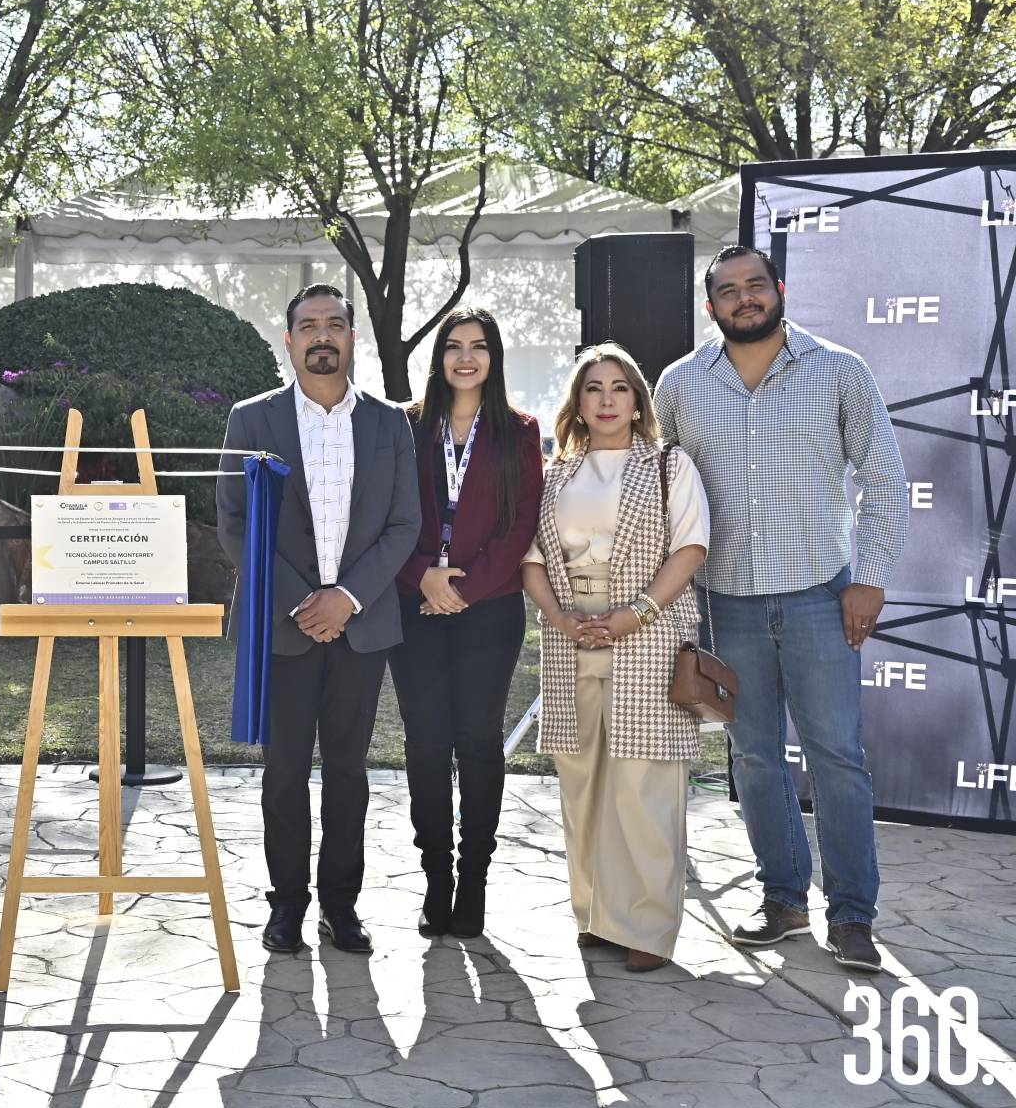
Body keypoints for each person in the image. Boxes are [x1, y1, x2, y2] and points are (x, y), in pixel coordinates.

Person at [654, 245, 907, 973]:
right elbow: (653, 486)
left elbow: (885, 478)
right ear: (712, 307)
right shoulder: (679, 384)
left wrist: (872, 577)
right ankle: (783, 899)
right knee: (756, 758)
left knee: (837, 759)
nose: (743, 299)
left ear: (779, 290)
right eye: (727, 291)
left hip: (820, 597)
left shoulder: (839, 370)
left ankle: (854, 915)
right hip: (724, 603)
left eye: (754, 286)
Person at [216, 283, 420, 954]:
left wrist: (346, 598)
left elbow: (403, 524)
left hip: (362, 626)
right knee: (283, 774)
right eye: (309, 325)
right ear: (290, 339)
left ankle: (341, 905)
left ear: (352, 336)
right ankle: (287, 907)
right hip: (283, 625)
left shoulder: (391, 423)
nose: (323, 335)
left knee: (348, 773)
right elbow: (237, 521)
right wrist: (303, 601)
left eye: (335, 323)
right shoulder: (252, 419)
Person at [521, 343, 708, 972]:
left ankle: (648, 930)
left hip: (647, 634)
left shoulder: (668, 465)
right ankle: (598, 916)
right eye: (593, 388)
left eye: (619, 388)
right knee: (585, 785)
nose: (605, 400)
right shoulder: (556, 475)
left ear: (637, 400)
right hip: (571, 636)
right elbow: (532, 559)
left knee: (644, 787)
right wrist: (560, 618)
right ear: (577, 402)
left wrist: (634, 615)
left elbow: (690, 549)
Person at [392, 307, 542, 939]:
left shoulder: (519, 430)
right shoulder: (406, 427)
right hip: (413, 603)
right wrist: (424, 574)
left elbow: (522, 522)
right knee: (427, 744)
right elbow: (386, 513)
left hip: (490, 609)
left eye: (478, 347)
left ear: (494, 356)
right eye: (453, 346)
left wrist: (465, 590)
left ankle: (474, 882)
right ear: (438, 357)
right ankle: (437, 878)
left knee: (478, 744)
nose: (465, 358)